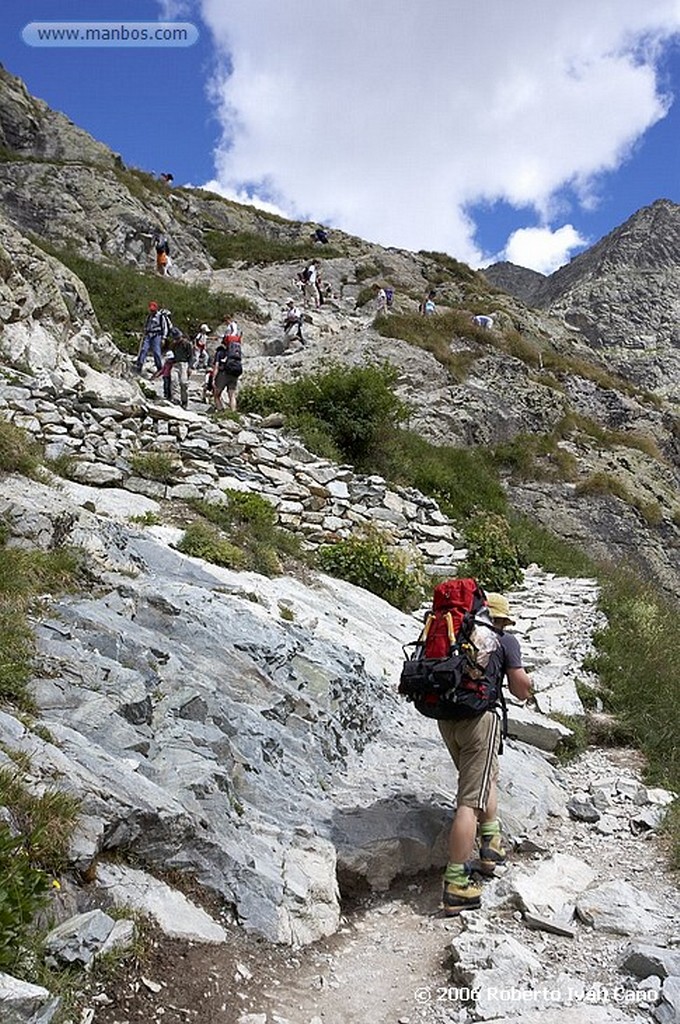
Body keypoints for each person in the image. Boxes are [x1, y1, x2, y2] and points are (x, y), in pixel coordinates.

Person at [439, 591, 532, 916]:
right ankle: (456, 884)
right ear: (500, 618)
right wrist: (528, 684)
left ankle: (491, 847)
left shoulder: (457, 632)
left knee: (483, 777)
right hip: (480, 718)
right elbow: (520, 688)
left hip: (446, 718)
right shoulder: (505, 640)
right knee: (469, 802)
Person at [135, 302, 171, 374]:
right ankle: (140, 365)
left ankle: (159, 367)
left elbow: (165, 327)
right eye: (151, 310)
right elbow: (147, 325)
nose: (152, 312)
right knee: (144, 349)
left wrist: (164, 338)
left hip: (157, 335)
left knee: (156, 351)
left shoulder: (161, 317)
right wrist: (144, 332)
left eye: (153, 310)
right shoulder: (149, 316)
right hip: (148, 334)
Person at [212, 332, 242, 412]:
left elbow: (216, 367)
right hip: (234, 374)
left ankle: (221, 411)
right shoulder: (236, 353)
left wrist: (213, 379)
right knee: (232, 395)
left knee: (216, 395)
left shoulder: (220, 352)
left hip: (223, 374)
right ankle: (233, 412)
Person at [170, 328, 193, 409]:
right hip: (175, 363)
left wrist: (190, 367)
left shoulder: (187, 344)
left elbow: (191, 356)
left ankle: (184, 400)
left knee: (183, 383)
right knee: (174, 380)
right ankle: (175, 398)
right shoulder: (173, 344)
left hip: (184, 364)